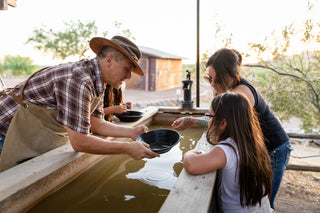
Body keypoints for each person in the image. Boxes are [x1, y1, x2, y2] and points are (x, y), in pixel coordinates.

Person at [0, 35, 159, 172]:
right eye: (127, 69)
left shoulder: (98, 81)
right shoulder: (79, 80)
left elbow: (96, 124)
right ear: (109, 60)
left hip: (30, 134)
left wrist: (131, 133)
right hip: (5, 129)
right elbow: (80, 142)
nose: (129, 76)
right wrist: (127, 148)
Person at [172, 48, 292, 210]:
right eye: (210, 79)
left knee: (262, 196)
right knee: (254, 199)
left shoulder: (240, 96)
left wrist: (194, 136)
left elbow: (220, 122)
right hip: (256, 146)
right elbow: (219, 121)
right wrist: (193, 120)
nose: (213, 85)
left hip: (273, 147)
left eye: (217, 80)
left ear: (229, 75)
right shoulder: (230, 104)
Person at [183, 92, 273, 212]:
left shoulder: (227, 149)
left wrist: (191, 153)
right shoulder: (253, 142)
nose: (208, 122)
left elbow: (191, 165)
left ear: (223, 123)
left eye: (210, 117)